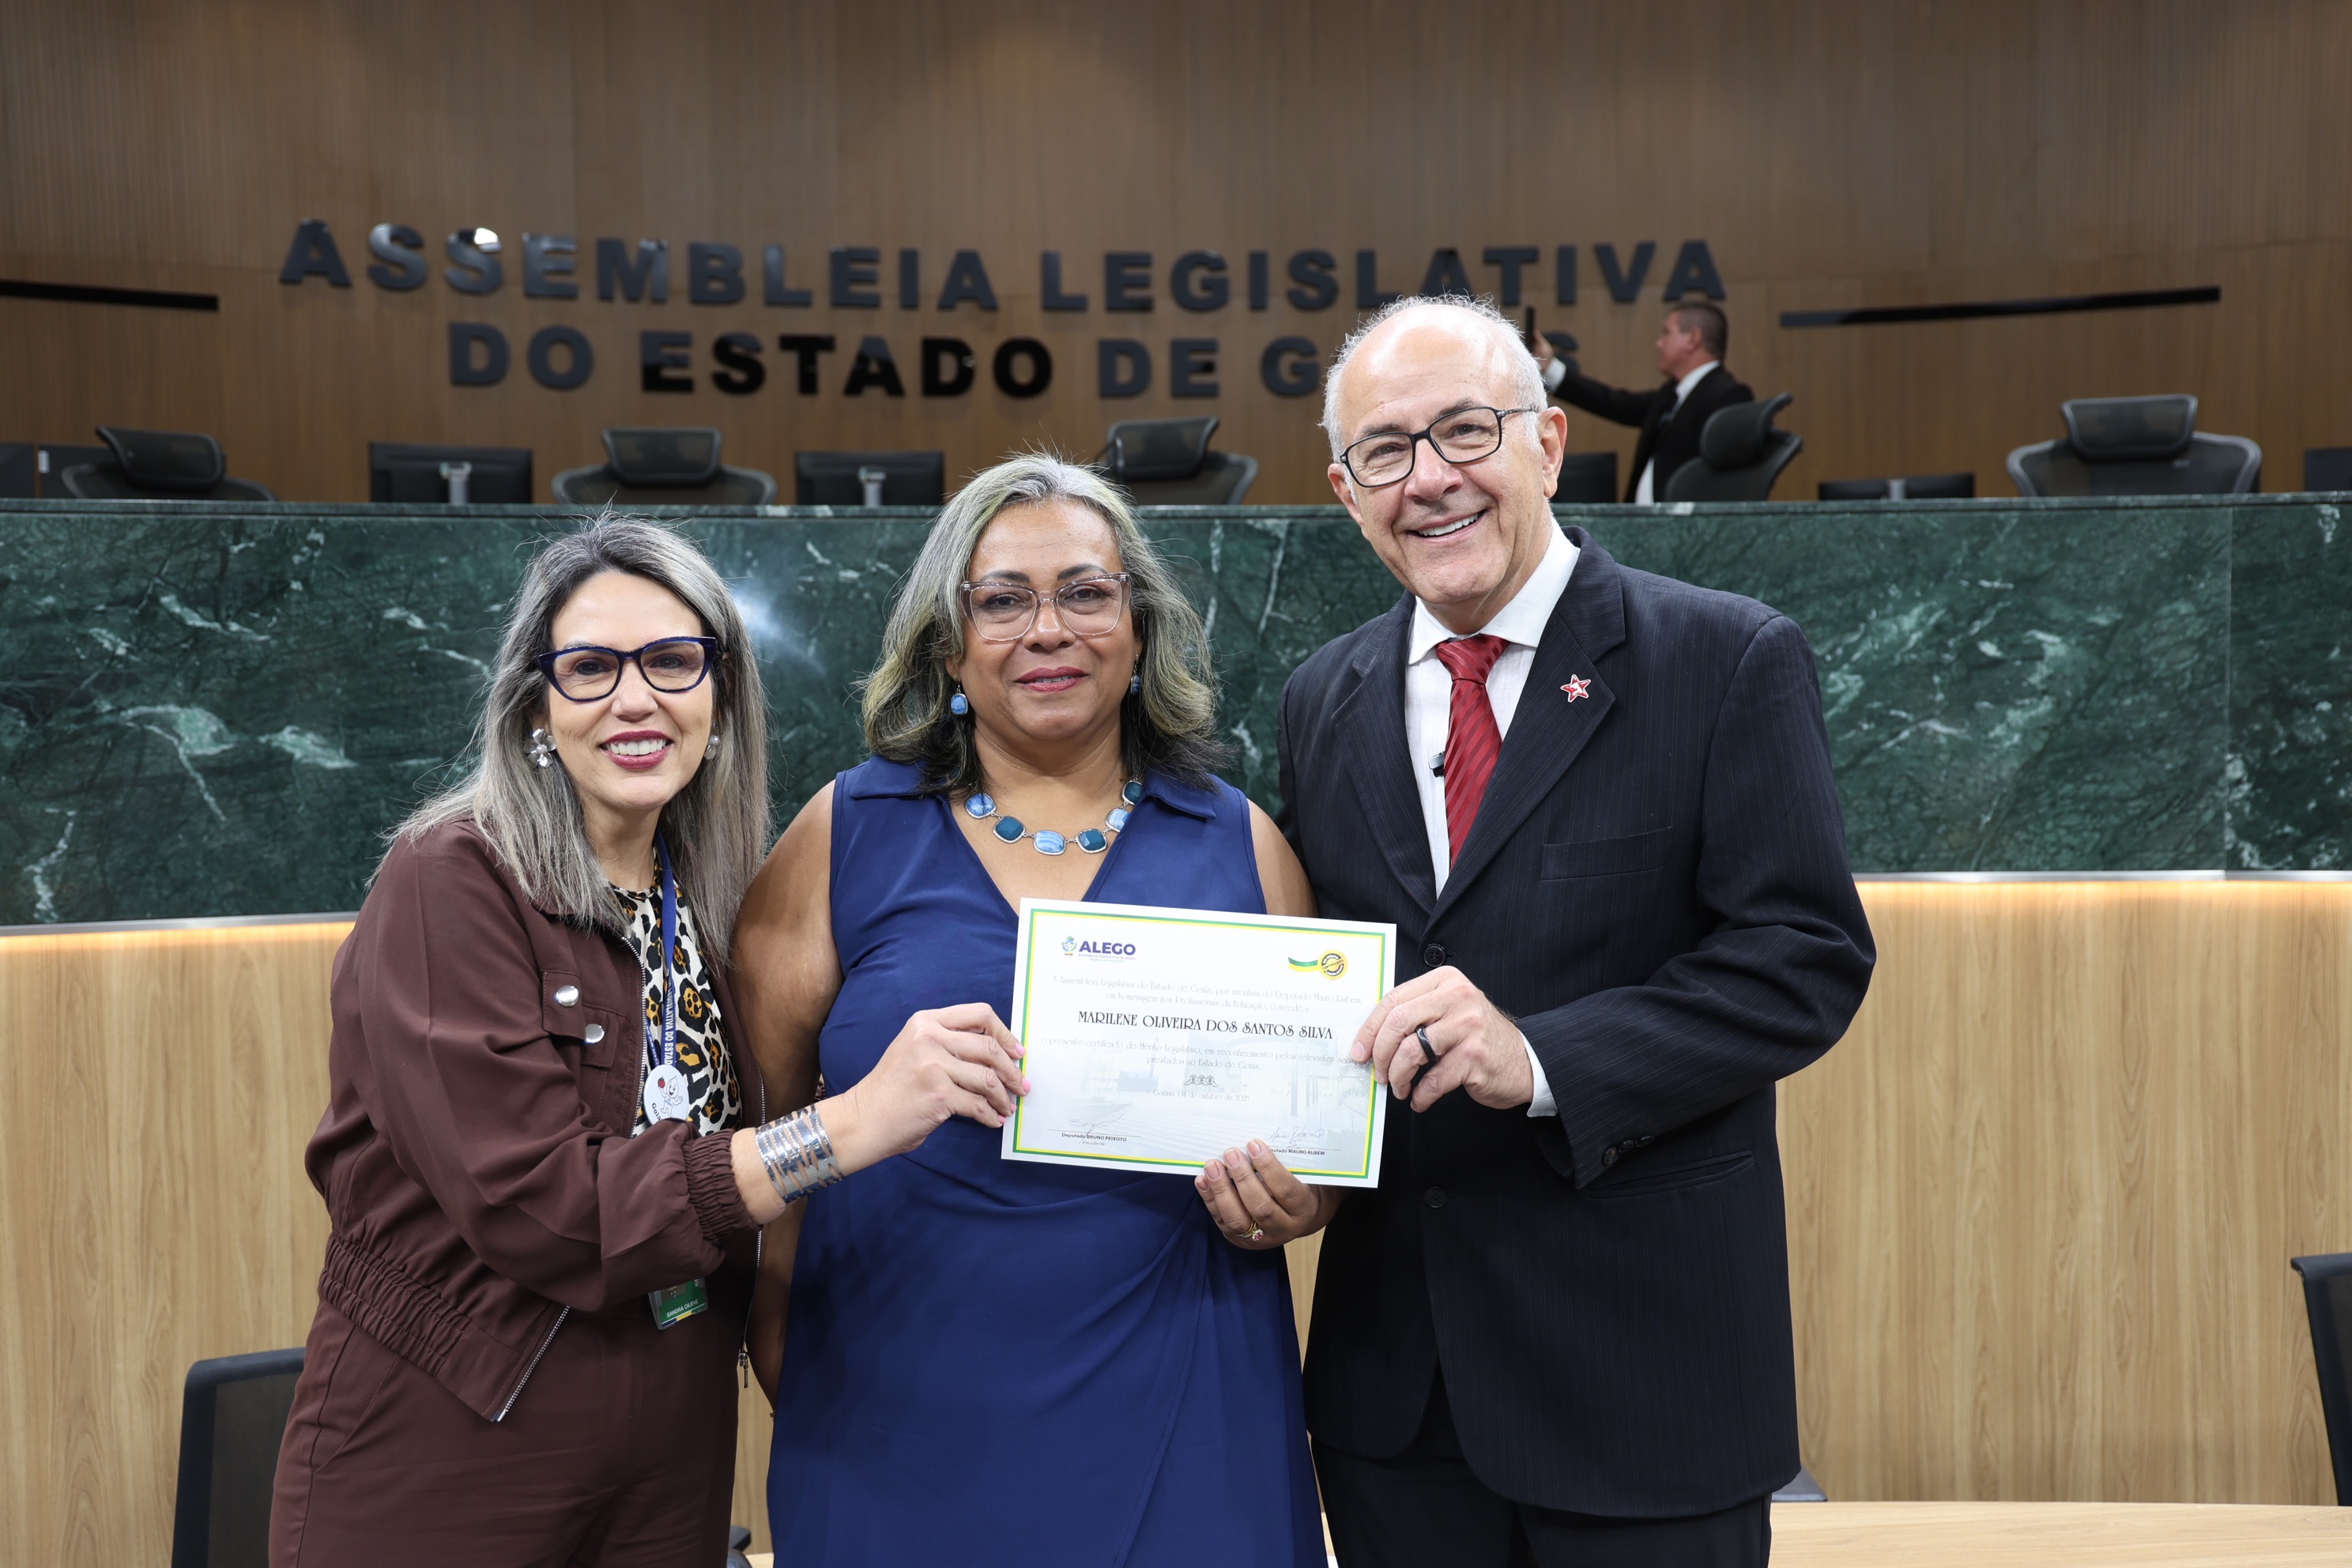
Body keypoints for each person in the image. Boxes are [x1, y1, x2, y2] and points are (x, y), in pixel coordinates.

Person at [270, 518, 1026, 1567]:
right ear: (536, 704)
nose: (636, 699)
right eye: (590, 668)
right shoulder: (450, 880)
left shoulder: (714, 902)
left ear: (720, 698)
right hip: (456, 1450)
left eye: (673, 661)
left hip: (670, 1450)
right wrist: (845, 1127)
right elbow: (544, 1208)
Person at [1268, 296, 1875, 1566]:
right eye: (1386, 450)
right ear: (1346, 491)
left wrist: (1541, 1058)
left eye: (1466, 430)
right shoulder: (1322, 698)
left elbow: (1803, 961)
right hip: (1398, 1407)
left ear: (1547, 443)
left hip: (1644, 1384)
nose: (1429, 478)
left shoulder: (1723, 658)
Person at [734, 454, 1326, 1567]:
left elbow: (1320, 1143)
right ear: (947, 645)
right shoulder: (842, 832)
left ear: (1139, 629)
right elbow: (758, 1138)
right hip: (891, 1406)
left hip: (1189, 1402)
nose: (1047, 629)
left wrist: (1301, 1201)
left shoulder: (1244, 843)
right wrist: (778, 1335)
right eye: (1002, 599)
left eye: (1087, 592)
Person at [1538, 298, 1752, 503]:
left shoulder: (1730, 396)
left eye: (1667, 333)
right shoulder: (1670, 395)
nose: (1659, 344)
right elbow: (1614, 403)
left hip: (1687, 526)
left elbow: (1728, 482)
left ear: (1693, 339)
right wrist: (1550, 367)